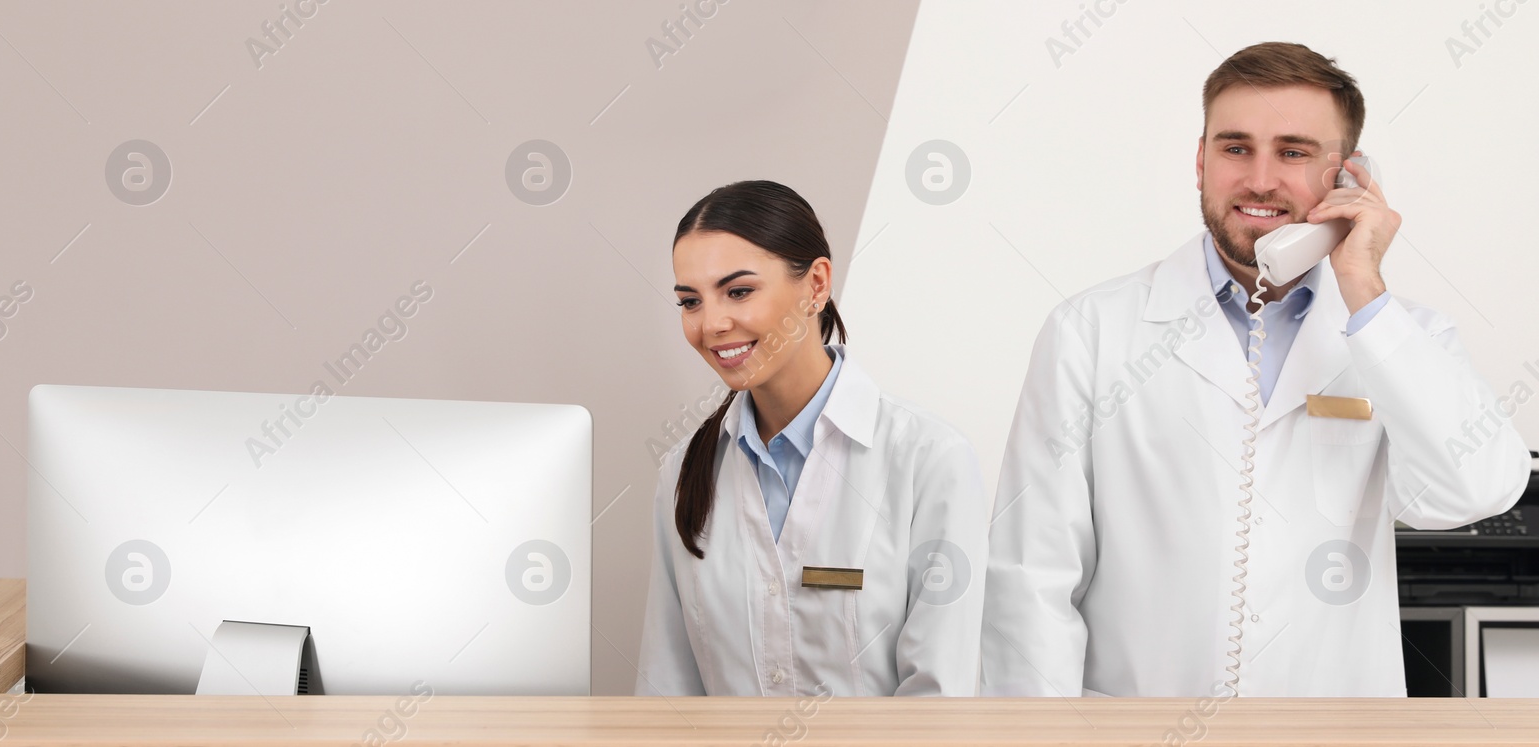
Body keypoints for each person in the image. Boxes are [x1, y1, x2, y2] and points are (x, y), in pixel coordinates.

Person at [982, 42, 1530, 697]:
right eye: (1235, 147)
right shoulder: (1091, 331)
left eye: (1294, 152)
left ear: (1347, 178)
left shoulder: (1399, 334)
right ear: (1200, 160)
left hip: (1335, 731)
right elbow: (1031, 575)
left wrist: (1361, 285)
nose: (1261, 179)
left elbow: (1473, 490)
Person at [636, 180, 987, 696]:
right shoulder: (684, 471)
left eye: (738, 291)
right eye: (690, 301)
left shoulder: (929, 460)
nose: (711, 324)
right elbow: (668, 693)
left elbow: (940, 703)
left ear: (816, 285)